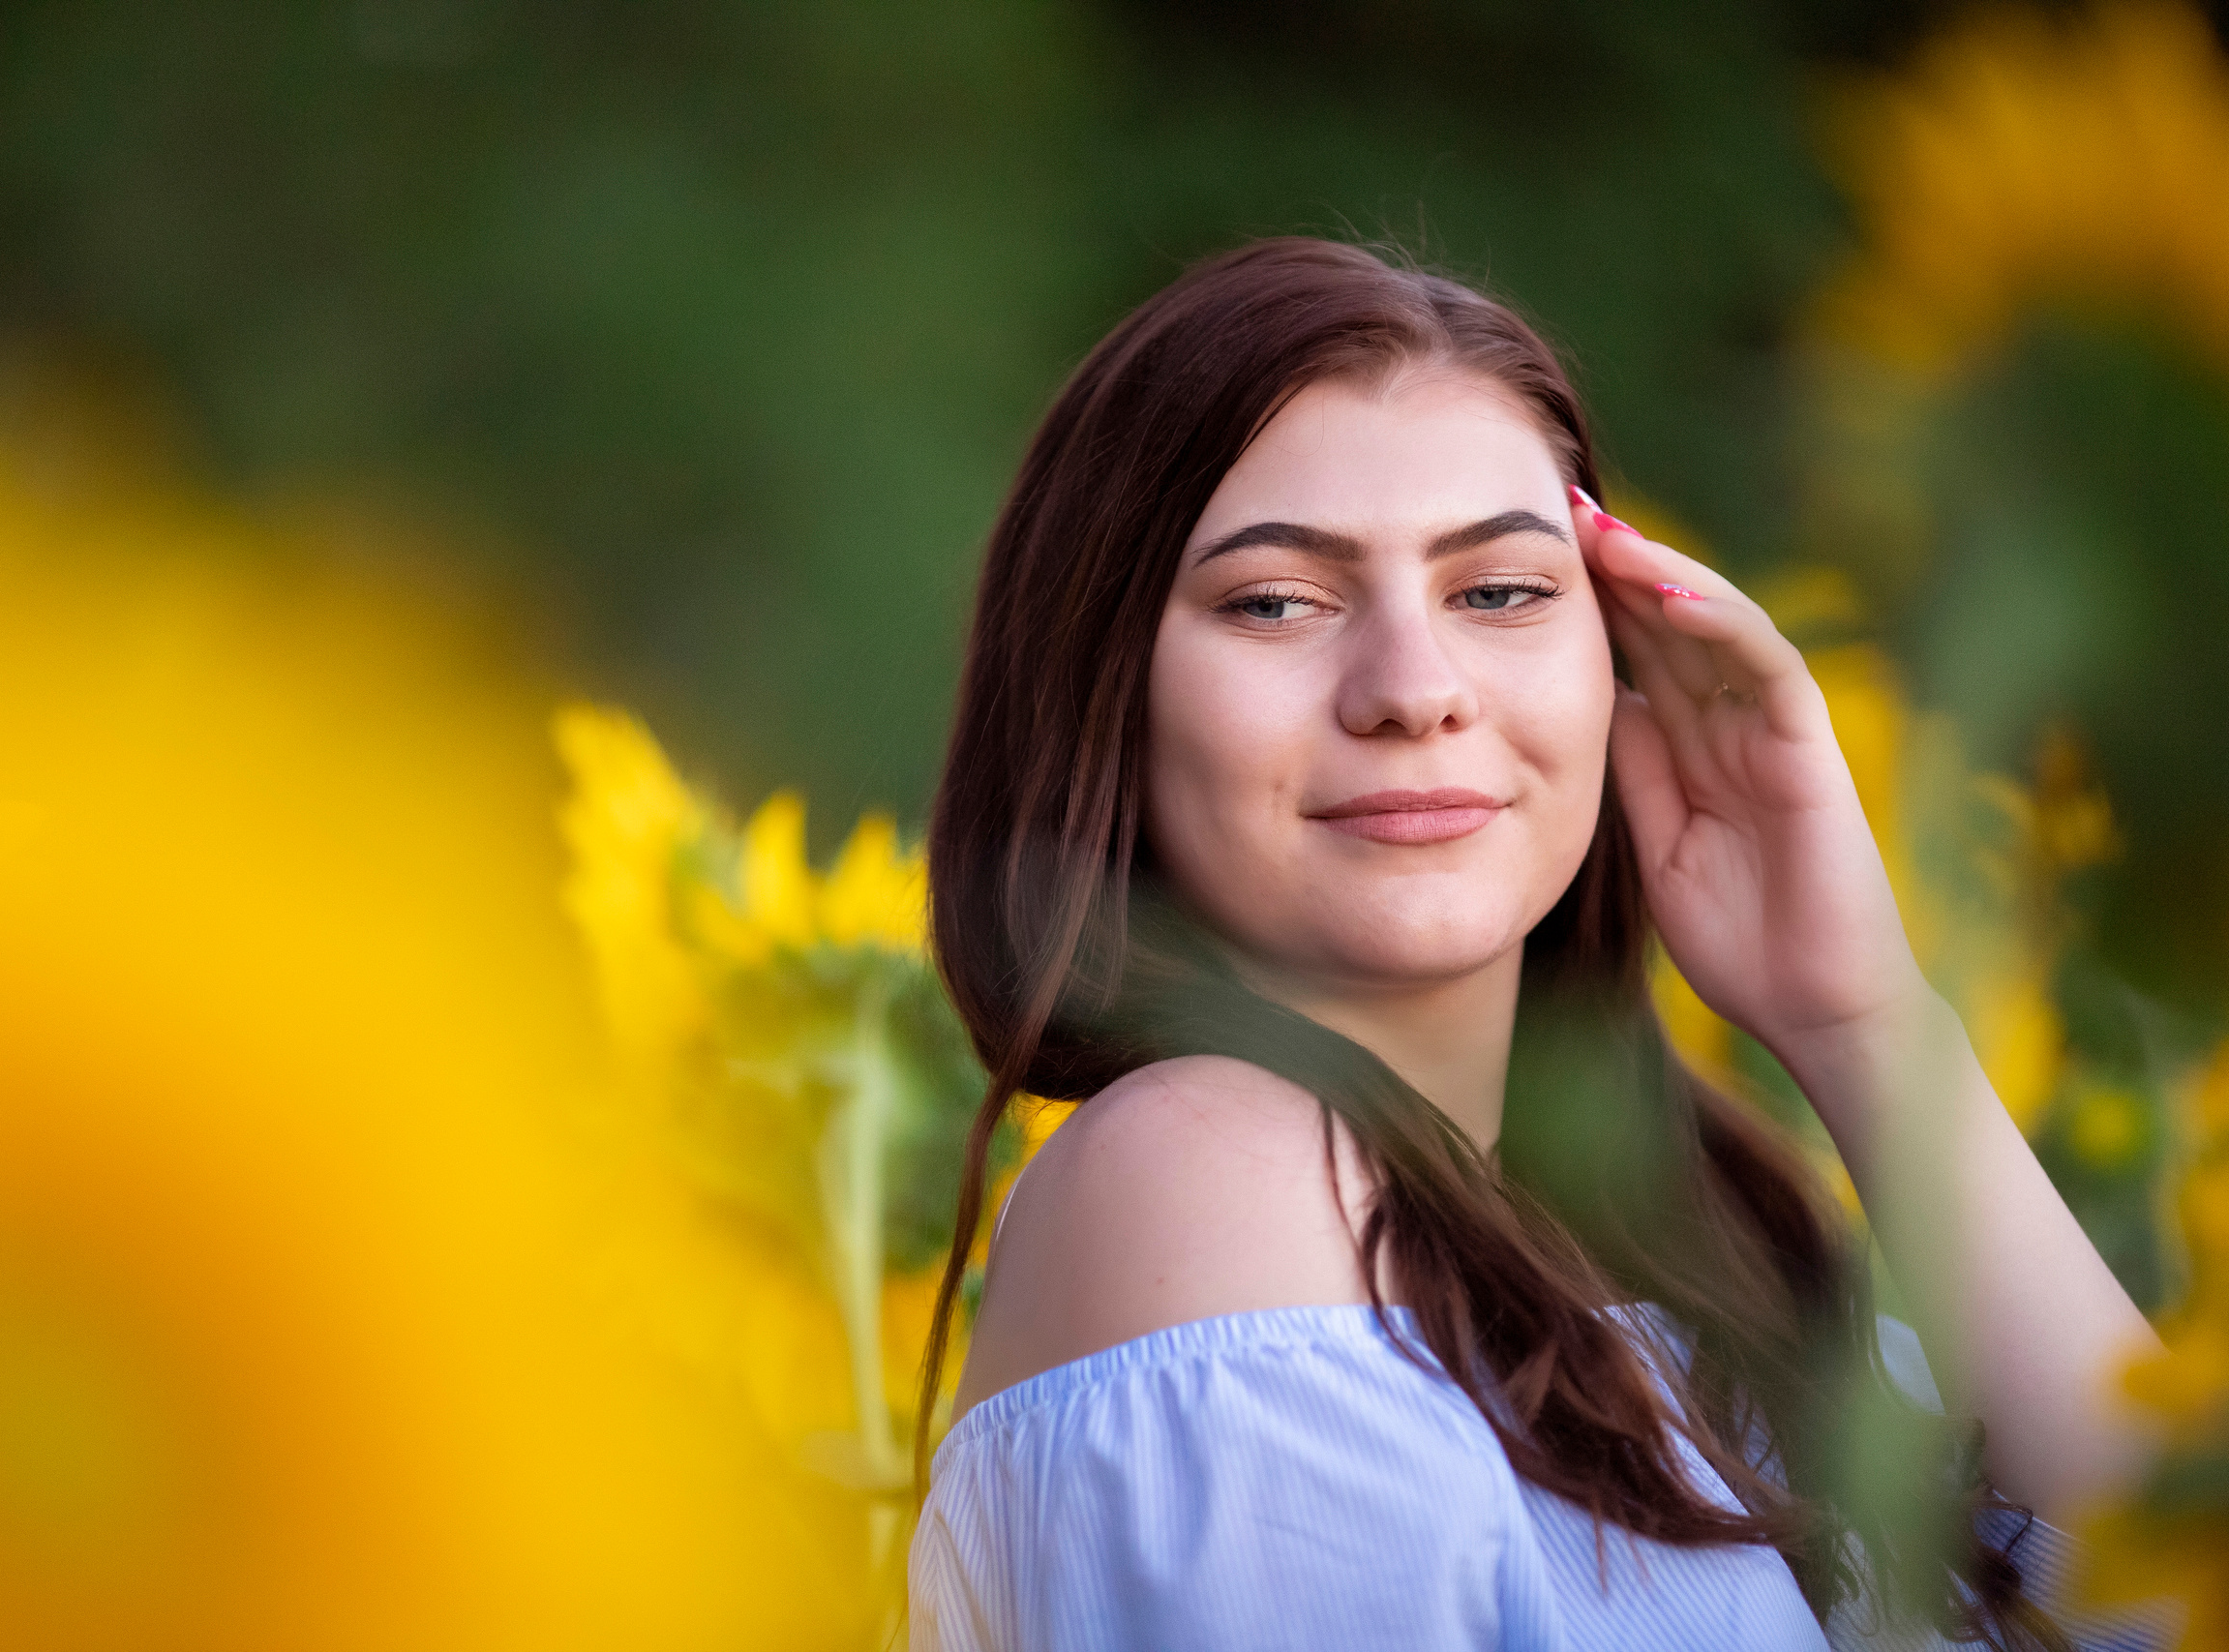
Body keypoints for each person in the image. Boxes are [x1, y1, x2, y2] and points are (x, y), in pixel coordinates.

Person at [908, 238, 2171, 1650]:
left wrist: (1862, 1018)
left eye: (1499, 591)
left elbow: (2174, 1596)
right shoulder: (1207, 1174)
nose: (1413, 689)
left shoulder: (1715, 1266)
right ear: (1101, 694)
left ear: (1614, 662)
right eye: (1276, 601)